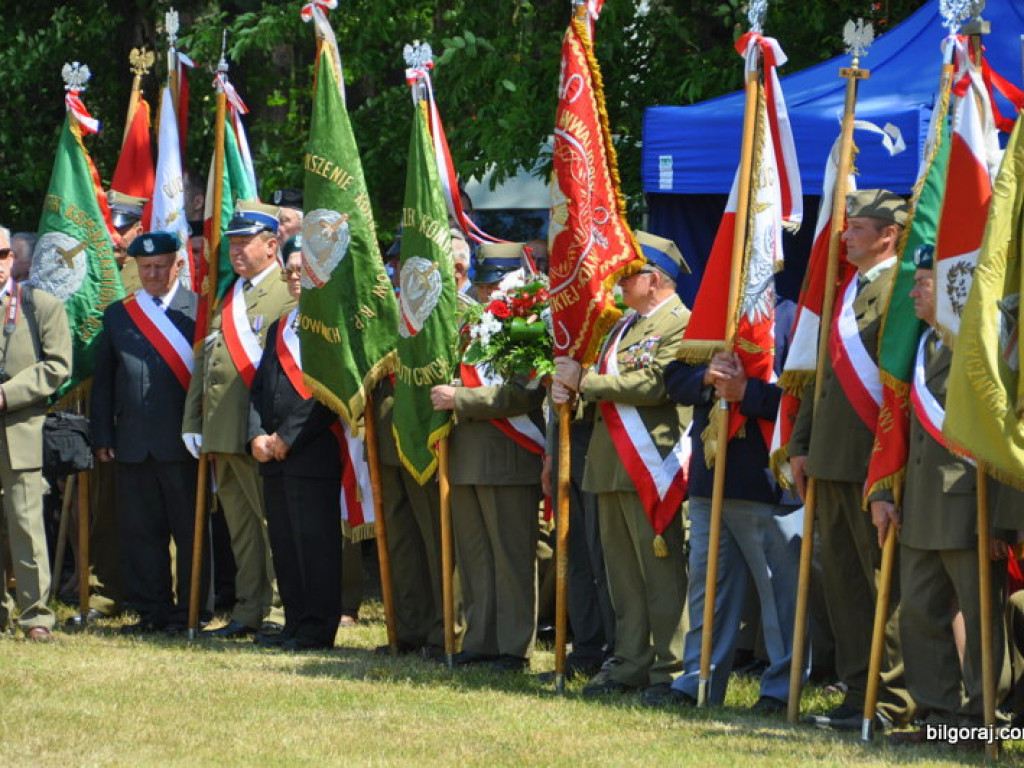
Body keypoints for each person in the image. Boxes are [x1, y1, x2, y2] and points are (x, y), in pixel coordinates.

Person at [789, 189, 914, 731]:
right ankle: (857, 690)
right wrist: (799, 445)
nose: (846, 235)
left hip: (874, 459)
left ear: (889, 234)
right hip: (832, 459)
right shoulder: (844, 292)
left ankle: (892, 699)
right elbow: (820, 379)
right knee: (842, 583)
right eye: (847, 227)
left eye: (859, 227)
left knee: (882, 582)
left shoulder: (901, 291)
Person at [553, 232, 693, 699]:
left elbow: (656, 384)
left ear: (653, 279)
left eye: (626, 273)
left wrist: (586, 382)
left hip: (652, 464)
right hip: (610, 465)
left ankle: (670, 670)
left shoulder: (680, 323)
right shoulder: (622, 325)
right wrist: (568, 389)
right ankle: (630, 662)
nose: (617, 281)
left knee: (661, 575)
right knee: (623, 577)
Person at [657, 298, 804, 712]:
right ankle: (698, 680)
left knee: (781, 598)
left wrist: (748, 393)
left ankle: (779, 691)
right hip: (712, 475)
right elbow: (674, 378)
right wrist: (706, 375)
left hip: (768, 479)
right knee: (709, 589)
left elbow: (806, 401)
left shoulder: (794, 317)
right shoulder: (714, 316)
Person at [889, 244, 1011, 742]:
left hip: (969, 507)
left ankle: (988, 718)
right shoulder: (924, 344)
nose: (914, 291)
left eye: (924, 283)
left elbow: (1003, 439)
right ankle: (939, 715)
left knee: (984, 618)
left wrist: (1002, 518)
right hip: (920, 506)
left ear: (954, 287)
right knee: (919, 613)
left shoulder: (980, 347)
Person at [431, 243, 546, 672]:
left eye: (496, 283)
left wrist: (460, 397)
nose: (488, 293)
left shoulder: (528, 325)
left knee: (511, 556)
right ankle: (481, 639)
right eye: (483, 285)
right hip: (466, 457)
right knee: (476, 555)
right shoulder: (470, 325)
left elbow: (523, 391)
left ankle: (513, 647)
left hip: (508, 456)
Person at [182, 202, 294, 640]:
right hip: (221, 430)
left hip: (258, 430)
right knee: (242, 528)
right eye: (233, 243)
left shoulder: (286, 293)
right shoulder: (233, 294)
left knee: (270, 523)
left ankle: (280, 609)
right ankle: (249, 609)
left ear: (272, 246)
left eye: (245, 243)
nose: (236, 251)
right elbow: (206, 361)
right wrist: (193, 419)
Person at [90, 231, 208, 635]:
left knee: (189, 530)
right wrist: (104, 435)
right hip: (133, 443)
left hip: (184, 442)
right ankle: (152, 609)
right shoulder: (120, 314)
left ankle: (191, 610)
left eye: (160, 266)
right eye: (145, 268)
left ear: (178, 265)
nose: (153, 274)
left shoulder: (200, 311)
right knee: (140, 532)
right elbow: (104, 382)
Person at [248, 235, 343, 651]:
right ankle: (293, 622)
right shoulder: (280, 327)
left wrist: (287, 437)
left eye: (304, 270)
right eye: (290, 271)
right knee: (284, 543)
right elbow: (259, 388)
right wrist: (255, 433)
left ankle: (316, 628)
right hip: (271, 453)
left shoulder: (333, 328)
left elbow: (328, 395)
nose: (295, 277)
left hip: (311, 451)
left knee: (314, 544)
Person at [0, 227, 72, 641]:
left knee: (27, 527)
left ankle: (35, 616)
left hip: (20, 432)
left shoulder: (39, 305)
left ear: (13, 258)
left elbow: (58, 366)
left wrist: (6, 395)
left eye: (3, 253)